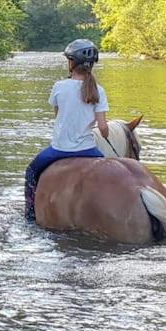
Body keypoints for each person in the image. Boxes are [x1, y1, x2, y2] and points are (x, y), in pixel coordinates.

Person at [24, 38, 109, 222]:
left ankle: (30, 214)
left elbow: (58, 115)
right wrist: (105, 134)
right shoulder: (99, 91)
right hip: (88, 150)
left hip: (59, 149)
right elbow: (103, 128)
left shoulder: (59, 87)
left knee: (30, 172)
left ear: (71, 63)